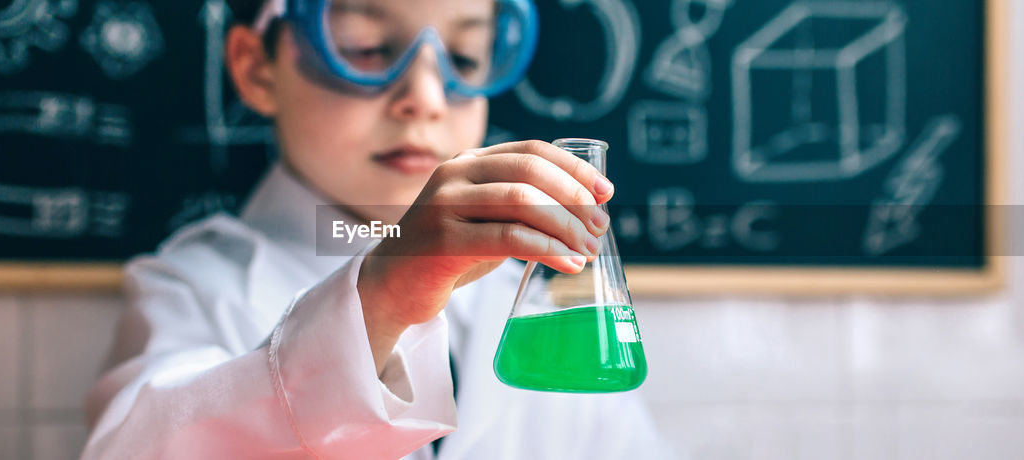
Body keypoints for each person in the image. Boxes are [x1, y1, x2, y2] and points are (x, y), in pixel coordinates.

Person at [82, 0, 673, 458]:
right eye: (365, 47)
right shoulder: (195, 287)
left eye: (464, 58)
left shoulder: (528, 300)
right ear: (257, 69)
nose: (425, 97)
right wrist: (381, 298)